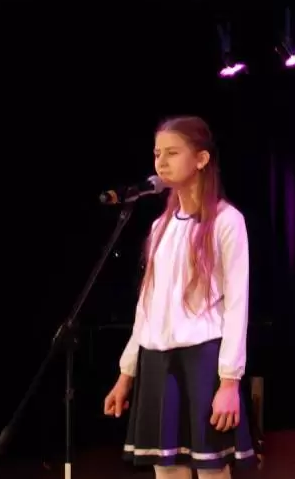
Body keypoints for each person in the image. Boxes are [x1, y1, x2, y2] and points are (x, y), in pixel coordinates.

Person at [103, 116, 256, 479]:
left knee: (211, 467)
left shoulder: (227, 221)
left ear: (201, 159)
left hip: (203, 359)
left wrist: (229, 381)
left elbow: (237, 305)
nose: (161, 162)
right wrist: (126, 373)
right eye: (157, 153)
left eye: (172, 153)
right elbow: (147, 307)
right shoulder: (161, 226)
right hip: (157, 361)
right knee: (167, 467)